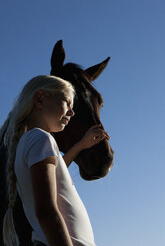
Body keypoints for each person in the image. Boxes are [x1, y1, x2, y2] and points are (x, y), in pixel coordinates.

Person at [3, 75, 110, 246]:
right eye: (67, 102)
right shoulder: (41, 138)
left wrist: (80, 145)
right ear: (40, 100)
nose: (72, 112)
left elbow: (56, 172)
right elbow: (46, 211)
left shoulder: (31, 141)